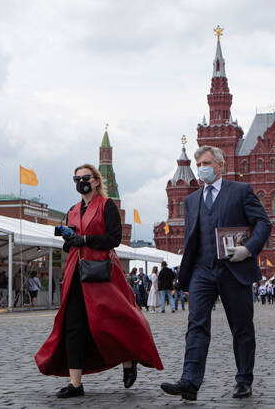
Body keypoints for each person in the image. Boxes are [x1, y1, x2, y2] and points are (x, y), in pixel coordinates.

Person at [35, 164, 162, 398]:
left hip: (102, 272)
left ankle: (128, 360)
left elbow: (113, 239)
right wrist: (68, 238)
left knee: (112, 320)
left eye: (85, 177)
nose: (81, 181)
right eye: (77, 178)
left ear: (95, 181)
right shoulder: (72, 210)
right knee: (73, 326)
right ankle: (76, 384)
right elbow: (71, 242)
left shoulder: (107, 206)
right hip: (76, 272)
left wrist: (83, 238)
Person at [161, 146, 271, 401]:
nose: (202, 168)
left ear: (221, 166)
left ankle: (244, 380)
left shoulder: (240, 191)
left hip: (234, 269)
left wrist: (249, 248)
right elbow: (193, 237)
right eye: (199, 164)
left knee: (241, 327)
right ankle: (189, 381)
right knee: (196, 325)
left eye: (207, 163)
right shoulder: (191, 200)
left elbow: (263, 223)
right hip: (202, 270)